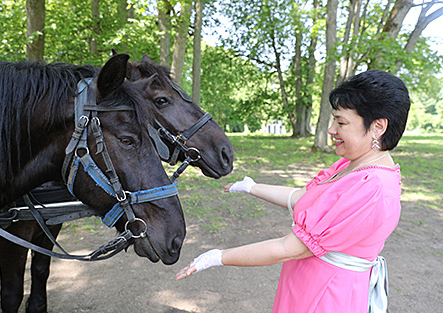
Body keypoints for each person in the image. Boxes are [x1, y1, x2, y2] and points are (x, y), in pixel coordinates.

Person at [175, 70, 411, 313]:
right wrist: (252, 187)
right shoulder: (355, 164)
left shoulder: (372, 189)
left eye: (341, 122)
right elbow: (304, 198)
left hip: (327, 295)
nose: (331, 130)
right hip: (309, 284)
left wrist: (218, 256)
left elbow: (288, 248)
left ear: (378, 127)